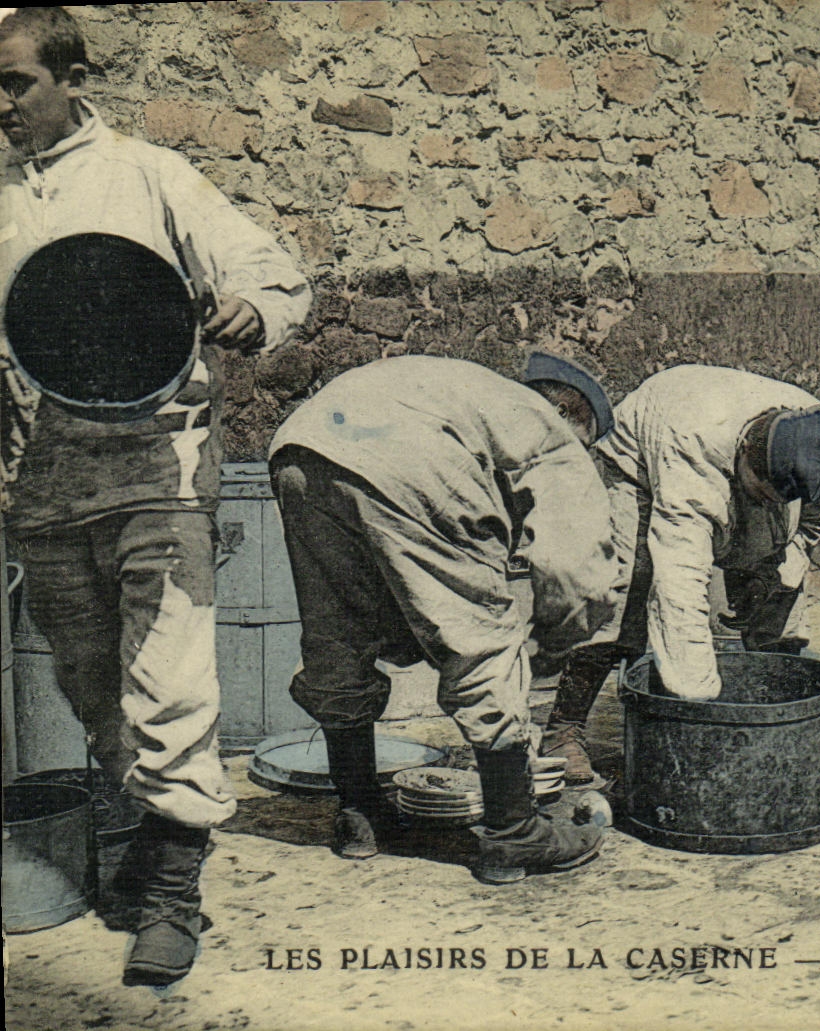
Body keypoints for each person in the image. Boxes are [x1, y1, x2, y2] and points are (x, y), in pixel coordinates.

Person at [0, 8, 309, 987]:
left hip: (156, 474)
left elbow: (276, 274)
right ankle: (144, 849)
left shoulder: (146, 175)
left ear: (73, 77)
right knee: (96, 695)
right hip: (44, 486)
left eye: (14, 83)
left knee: (169, 680)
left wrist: (248, 308)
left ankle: (172, 894)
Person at [268, 354, 618, 884]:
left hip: (302, 446)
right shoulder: (549, 427)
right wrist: (554, 639)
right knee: (482, 640)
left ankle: (361, 815)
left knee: (338, 633)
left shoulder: (460, 389)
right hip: (408, 457)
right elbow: (578, 568)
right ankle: (514, 834)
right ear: (572, 413)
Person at [534, 364, 820, 783]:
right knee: (624, 587)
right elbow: (680, 588)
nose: (767, 503)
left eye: (779, 498)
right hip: (642, 457)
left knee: (779, 591)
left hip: (737, 457)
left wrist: (776, 572)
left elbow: (810, 525)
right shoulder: (692, 457)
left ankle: (774, 708)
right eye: (760, 492)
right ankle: (563, 730)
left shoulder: (814, 441)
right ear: (745, 449)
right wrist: (702, 712)